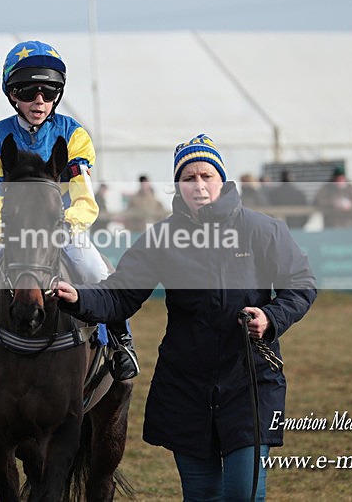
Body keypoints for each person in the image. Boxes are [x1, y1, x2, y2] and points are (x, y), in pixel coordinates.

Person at [53, 134, 317, 501]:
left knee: (244, 493)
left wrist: (271, 317)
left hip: (249, 380)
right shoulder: (162, 237)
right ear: (178, 185)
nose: (198, 185)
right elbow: (121, 293)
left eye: (206, 175)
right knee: (201, 494)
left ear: (221, 180)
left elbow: (301, 284)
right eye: (188, 178)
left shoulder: (263, 230)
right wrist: (78, 297)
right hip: (186, 384)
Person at [0, 40, 138, 381]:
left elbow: (84, 195)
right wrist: (0, 229)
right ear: (12, 95)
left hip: (62, 228)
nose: (39, 101)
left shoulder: (73, 135)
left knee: (96, 273)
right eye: (28, 92)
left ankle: (120, 341)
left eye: (48, 93)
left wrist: (69, 225)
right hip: (12, 229)